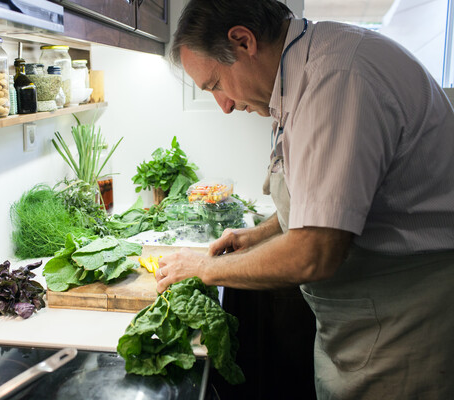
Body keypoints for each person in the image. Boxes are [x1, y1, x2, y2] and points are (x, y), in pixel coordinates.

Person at [156, 1, 454, 399]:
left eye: (215, 84)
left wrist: (201, 268)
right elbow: (331, 197)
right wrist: (258, 235)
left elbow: (315, 252)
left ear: (243, 42)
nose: (224, 105)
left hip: (405, 328)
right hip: (365, 323)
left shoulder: (336, 79)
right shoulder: (307, 68)